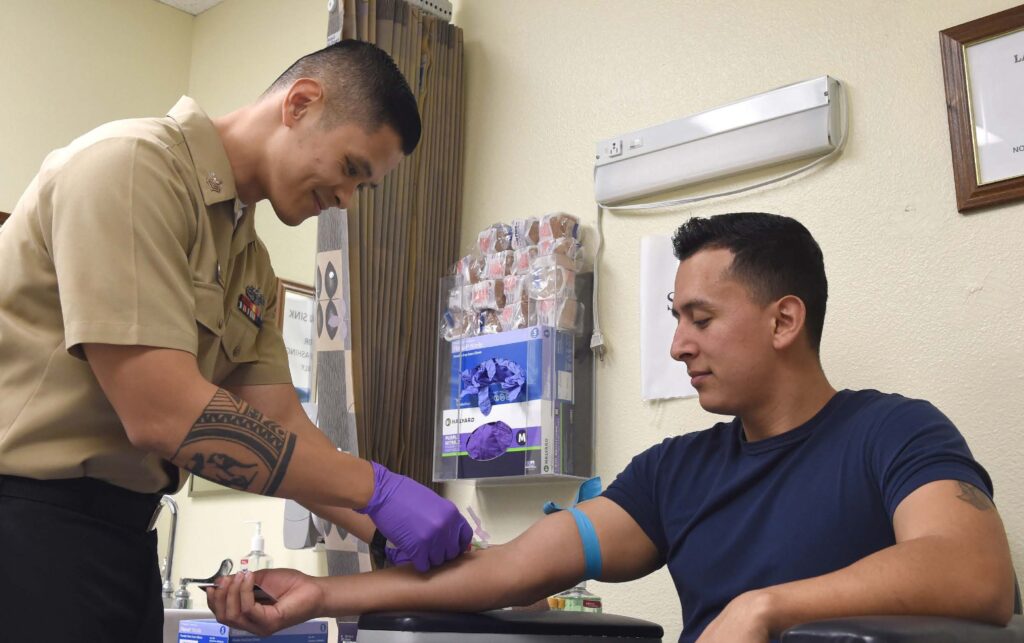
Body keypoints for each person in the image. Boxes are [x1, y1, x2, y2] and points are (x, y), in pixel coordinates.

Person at [206, 212, 1015, 643]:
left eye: (700, 317)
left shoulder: (894, 433)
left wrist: (768, 607)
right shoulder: (673, 474)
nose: (677, 344)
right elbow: (507, 572)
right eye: (675, 317)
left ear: (784, 320)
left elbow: (977, 575)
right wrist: (323, 594)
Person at [0, 40, 470, 642]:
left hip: (121, 545)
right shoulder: (131, 167)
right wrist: (376, 490)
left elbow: (282, 424)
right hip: (27, 525)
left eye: (365, 187)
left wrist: (380, 527)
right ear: (300, 103)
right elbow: (162, 412)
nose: (347, 201)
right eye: (351, 169)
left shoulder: (250, 265)